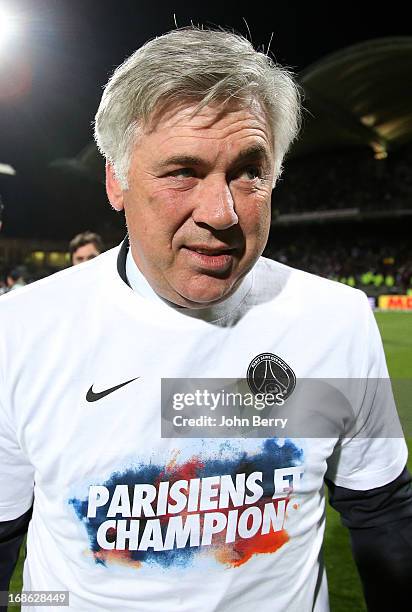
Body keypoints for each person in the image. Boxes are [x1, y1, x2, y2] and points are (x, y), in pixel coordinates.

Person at [0, 27, 411, 612]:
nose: (222, 213)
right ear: (116, 180)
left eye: (250, 171)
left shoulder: (336, 320)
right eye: (182, 172)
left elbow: (381, 510)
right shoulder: (20, 332)